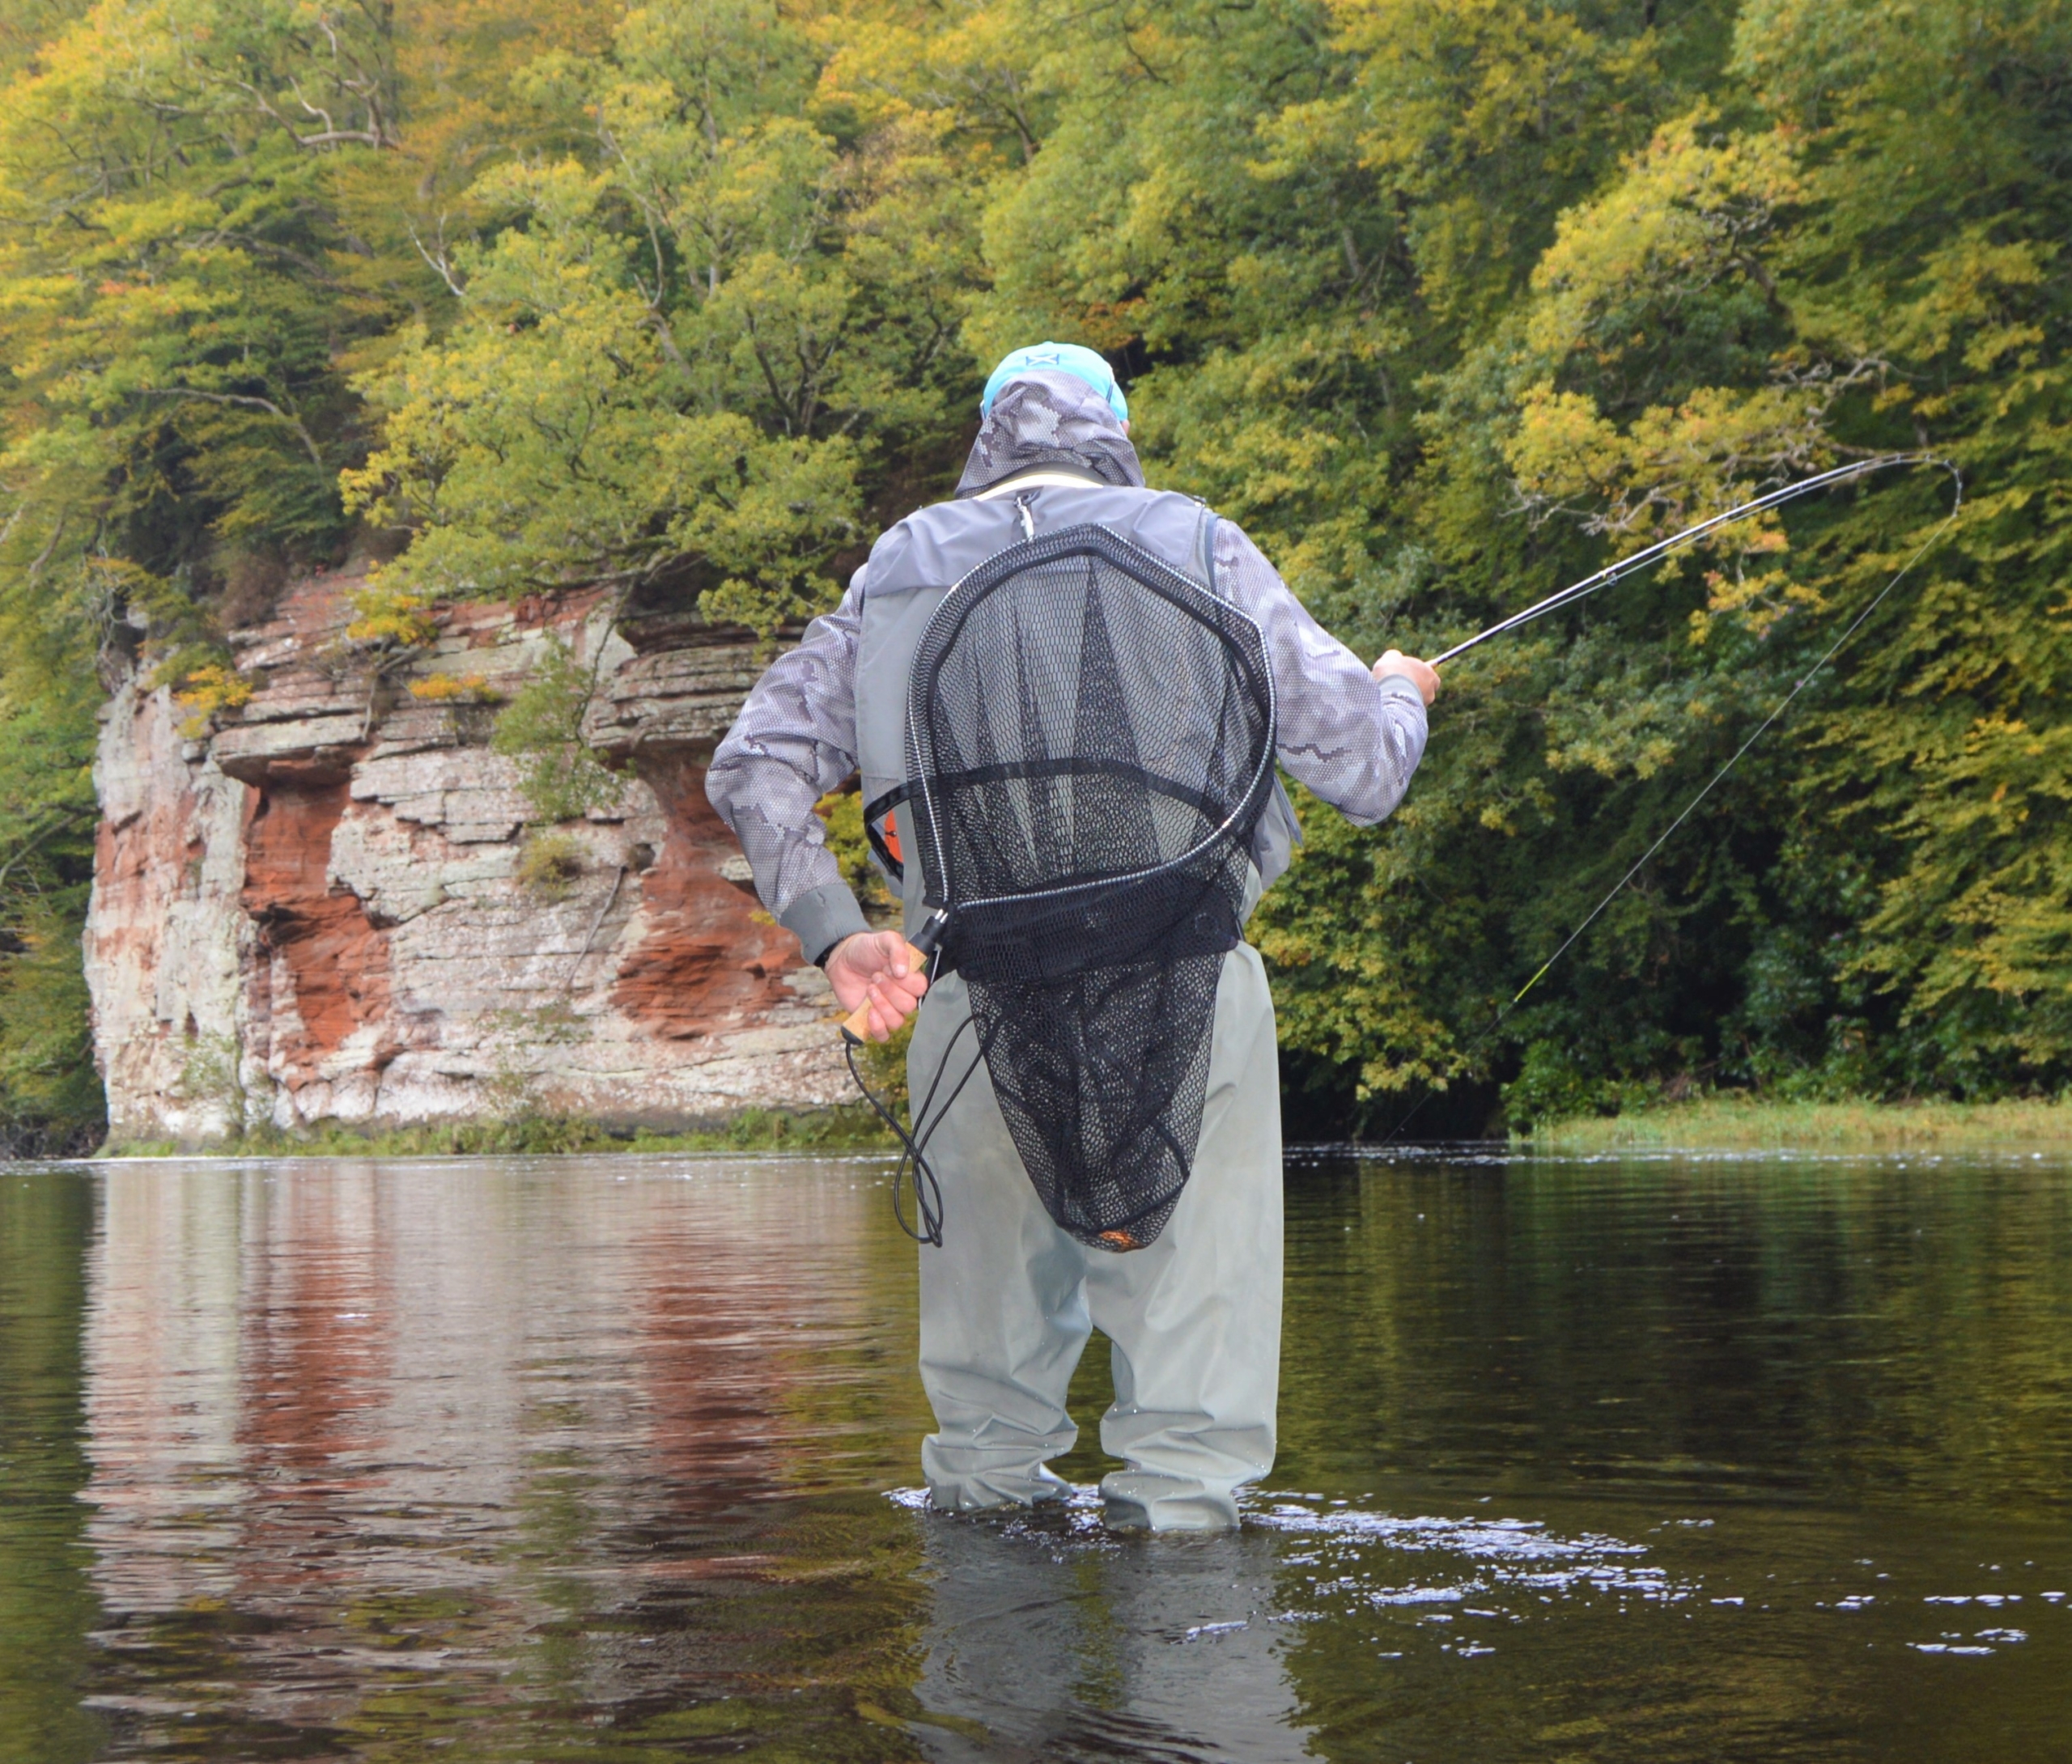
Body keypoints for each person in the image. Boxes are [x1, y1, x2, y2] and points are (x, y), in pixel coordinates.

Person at [707, 342, 1434, 1530]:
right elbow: (1365, 769)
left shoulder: (894, 572)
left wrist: (838, 936)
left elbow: (754, 770)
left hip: (973, 1006)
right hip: (1192, 999)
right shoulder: (1204, 543)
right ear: (1117, 430)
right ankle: (1194, 1691)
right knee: (1194, 1461)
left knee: (984, 1456)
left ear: (987, 437)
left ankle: (994, 1693)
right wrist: (1405, 686)